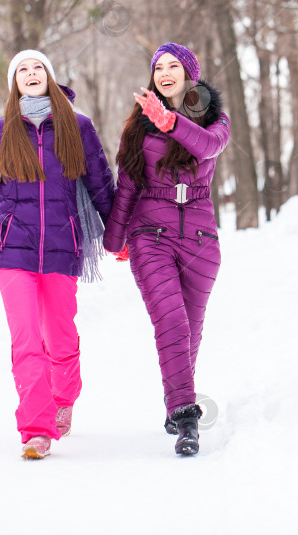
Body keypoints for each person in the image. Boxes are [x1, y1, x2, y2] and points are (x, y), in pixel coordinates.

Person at [0, 50, 115, 460]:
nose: (30, 74)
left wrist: (117, 238)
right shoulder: (2, 131)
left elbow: (101, 184)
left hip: (64, 247)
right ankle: (36, 429)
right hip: (12, 248)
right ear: (15, 83)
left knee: (61, 336)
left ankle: (63, 398)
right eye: (22, 70)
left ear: (49, 76)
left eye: (37, 68)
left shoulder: (78, 127)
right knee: (26, 339)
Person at [103, 43, 230, 456]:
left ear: (189, 74)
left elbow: (209, 147)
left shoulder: (214, 119)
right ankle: (187, 417)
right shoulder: (139, 126)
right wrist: (115, 238)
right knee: (172, 322)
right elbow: (128, 183)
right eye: (159, 67)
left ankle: (174, 399)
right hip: (150, 235)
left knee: (190, 331)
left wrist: (171, 121)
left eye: (174, 65)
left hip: (200, 239)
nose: (165, 72)